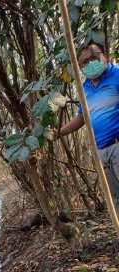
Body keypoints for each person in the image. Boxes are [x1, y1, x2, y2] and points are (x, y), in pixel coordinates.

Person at [56, 42, 119, 211]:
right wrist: (60, 132)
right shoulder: (85, 88)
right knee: (115, 197)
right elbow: (81, 117)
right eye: (84, 61)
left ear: (104, 56)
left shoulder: (117, 75)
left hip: (118, 144)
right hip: (101, 149)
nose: (89, 63)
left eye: (93, 57)